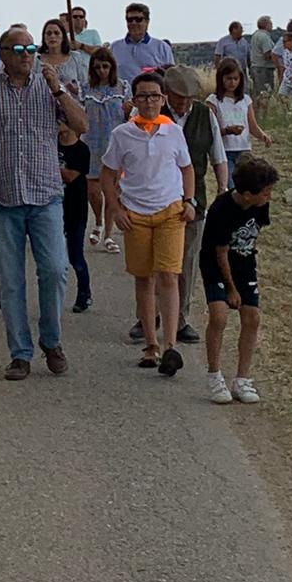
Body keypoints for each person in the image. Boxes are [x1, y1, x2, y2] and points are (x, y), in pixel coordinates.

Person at [0, 25, 88, 380]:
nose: (27, 54)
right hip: (1, 198)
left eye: (31, 47)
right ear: (2, 54)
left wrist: (58, 89)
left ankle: (52, 340)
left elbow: (81, 125)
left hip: (45, 196)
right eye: (18, 48)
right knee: (11, 282)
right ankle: (20, 354)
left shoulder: (50, 88)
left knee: (55, 270)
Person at [101, 73, 195, 378]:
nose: (149, 102)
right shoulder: (122, 134)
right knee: (144, 278)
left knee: (169, 275)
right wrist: (115, 209)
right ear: (134, 100)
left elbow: (187, 168)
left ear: (164, 99)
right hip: (136, 213)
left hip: (170, 210)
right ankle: (151, 345)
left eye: (155, 96)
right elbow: (107, 173)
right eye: (143, 96)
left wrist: (189, 201)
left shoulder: (174, 132)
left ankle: (171, 345)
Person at [151, 64, 229, 346]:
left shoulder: (205, 116)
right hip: (155, 197)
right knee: (153, 263)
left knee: (186, 262)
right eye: (178, 95)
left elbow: (218, 156)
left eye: (188, 96)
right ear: (167, 93)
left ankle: (181, 318)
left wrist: (222, 189)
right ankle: (149, 316)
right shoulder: (151, 114)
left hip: (193, 200)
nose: (183, 102)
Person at [201, 154, 280, 404]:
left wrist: (246, 278)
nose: (270, 197)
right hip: (217, 264)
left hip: (244, 263)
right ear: (247, 194)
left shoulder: (260, 205)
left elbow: (252, 238)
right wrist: (232, 290)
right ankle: (215, 375)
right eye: (265, 192)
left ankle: (242, 379)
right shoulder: (221, 210)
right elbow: (221, 252)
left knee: (252, 317)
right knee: (219, 316)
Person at [81, 47, 128, 250]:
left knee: (111, 190)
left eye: (105, 66)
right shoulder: (85, 89)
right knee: (93, 190)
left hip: (114, 144)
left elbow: (130, 116)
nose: (102, 71)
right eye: (98, 67)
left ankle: (108, 234)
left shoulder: (123, 88)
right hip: (91, 143)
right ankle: (98, 221)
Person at [207, 57, 272, 178]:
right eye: (228, 79)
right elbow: (210, 130)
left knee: (244, 184)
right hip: (224, 150)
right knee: (230, 185)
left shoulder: (245, 100)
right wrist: (228, 131)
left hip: (244, 149)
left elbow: (252, 126)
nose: (232, 82)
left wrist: (263, 136)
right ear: (221, 79)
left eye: (235, 79)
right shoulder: (213, 101)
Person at [59, 121, 92, 312]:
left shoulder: (81, 150)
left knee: (76, 255)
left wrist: (48, 167)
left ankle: (84, 293)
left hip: (75, 209)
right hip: (54, 207)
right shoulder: (51, 144)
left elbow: (70, 176)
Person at [109, 2, 175, 86]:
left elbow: (171, 78)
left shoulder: (162, 48)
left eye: (138, 19)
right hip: (123, 97)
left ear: (147, 22)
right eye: (130, 20)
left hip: (150, 97)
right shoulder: (114, 48)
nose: (133, 23)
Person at [38, 18, 88, 89]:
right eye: (49, 33)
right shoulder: (36, 60)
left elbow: (85, 85)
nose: (52, 36)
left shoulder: (76, 58)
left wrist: (76, 89)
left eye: (56, 33)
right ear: (44, 37)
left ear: (63, 36)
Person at [248, 15, 277, 102]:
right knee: (266, 93)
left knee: (258, 93)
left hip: (256, 67)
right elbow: (267, 54)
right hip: (264, 68)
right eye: (270, 23)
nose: (272, 25)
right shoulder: (264, 37)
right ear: (266, 25)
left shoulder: (255, 35)